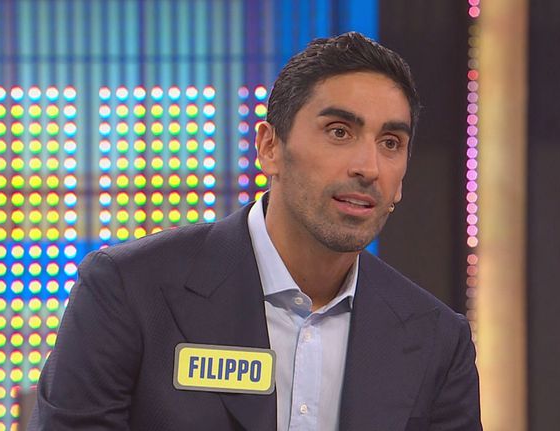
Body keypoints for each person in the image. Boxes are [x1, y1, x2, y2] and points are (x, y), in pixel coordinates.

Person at [30, 32, 481, 431]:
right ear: (269, 147)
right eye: (339, 132)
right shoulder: (128, 290)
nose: (368, 167)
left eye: (391, 143)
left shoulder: (437, 339)